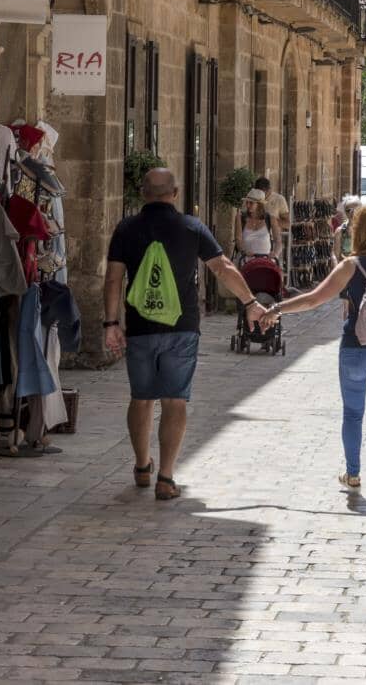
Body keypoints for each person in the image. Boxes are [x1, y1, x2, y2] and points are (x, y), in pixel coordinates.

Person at [104, 169, 266, 501]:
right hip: (181, 327)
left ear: (143, 193)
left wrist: (111, 323)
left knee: (141, 397)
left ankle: (141, 467)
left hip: (140, 326)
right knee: (175, 400)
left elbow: (113, 278)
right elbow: (223, 267)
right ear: (175, 193)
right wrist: (250, 302)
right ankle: (166, 477)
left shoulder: (126, 229)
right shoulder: (191, 227)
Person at [262, 207, 366, 505]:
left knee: (353, 413)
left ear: (359, 231)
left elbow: (314, 299)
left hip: (356, 348)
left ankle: (353, 474)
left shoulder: (350, 266)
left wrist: (277, 309)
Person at [255, 175, 291, 266]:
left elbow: (288, 224)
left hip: (272, 243)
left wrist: (272, 221)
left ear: (269, 190)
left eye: (263, 193)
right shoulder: (252, 199)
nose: (261, 196)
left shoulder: (279, 199)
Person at [236, 190, 279, 262]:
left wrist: (275, 253)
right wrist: (243, 251)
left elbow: (278, 240)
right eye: (247, 202)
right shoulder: (240, 217)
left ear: (259, 205)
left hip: (266, 261)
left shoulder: (270, 218)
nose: (248, 205)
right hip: (246, 260)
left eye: (251, 203)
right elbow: (238, 239)